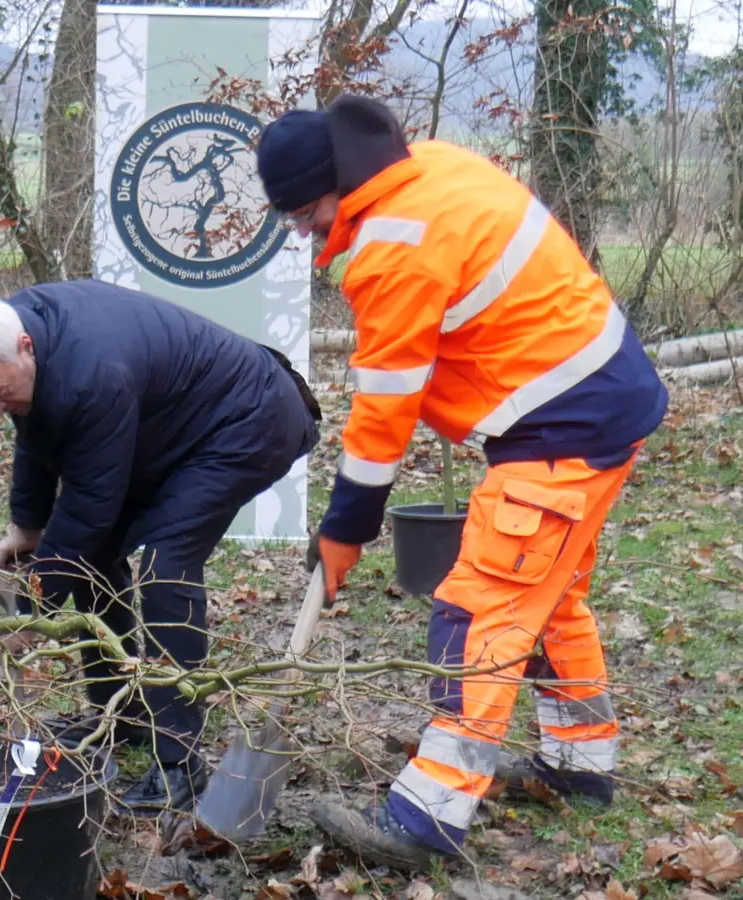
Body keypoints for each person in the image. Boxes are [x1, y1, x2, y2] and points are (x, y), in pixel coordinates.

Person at [254, 95, 668, 870]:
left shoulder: (393, 247)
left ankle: (426, 818)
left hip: (564, 430)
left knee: (479, 611)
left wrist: (345, 530)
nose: (302, 228)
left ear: (336, 181)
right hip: (605, 401)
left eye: (303, 209)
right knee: (546, 598)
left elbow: (384, 415)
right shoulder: (430, 167)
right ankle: (581, 763)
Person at [0, 282, 322, 814]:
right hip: (173, 426)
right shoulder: (26, 335)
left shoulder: (92, 372)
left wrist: (31, 610)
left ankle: (179, 761)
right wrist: (27, 525)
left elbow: (89, 505)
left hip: (251, 418)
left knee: (165, 564)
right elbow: (35, 434)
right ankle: (123, 710)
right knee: (96, 555)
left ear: (24, 348)